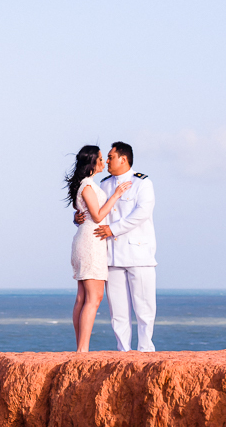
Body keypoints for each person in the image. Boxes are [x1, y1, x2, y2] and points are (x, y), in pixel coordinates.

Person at [75, 141, 157, 352]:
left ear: (123, 158)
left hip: (138, 253)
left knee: (144, 307)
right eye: (107, 157)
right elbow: (95, 213)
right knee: (118, 311)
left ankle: (145, 349)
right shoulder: (104, 184)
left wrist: (114, 229)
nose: (108, 161)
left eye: (111, 157)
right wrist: (78, 219)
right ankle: (123, 350)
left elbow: (142, 213)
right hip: (111, 253)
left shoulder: (142, 183)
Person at [65, 145, 133, 352]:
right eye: (101, 159)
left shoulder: (88, 185)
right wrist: (116, 195)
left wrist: (77, 218)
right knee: (93, 298)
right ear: (92, 163)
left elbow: (84, 214)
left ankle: (81, 347)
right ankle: (83, 349)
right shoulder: (88, 186)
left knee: (83, 298)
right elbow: (96, 215)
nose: (104, 162)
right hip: (91, 242)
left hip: (86, 239)